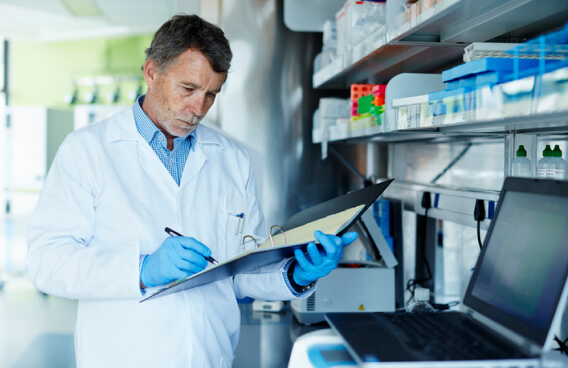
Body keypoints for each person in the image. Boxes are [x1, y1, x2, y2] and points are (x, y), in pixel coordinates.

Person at [26, 14, 357, 368]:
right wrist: (142, 269)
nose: (199, 108)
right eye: (188, 89)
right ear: (152, 72)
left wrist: (294, 275)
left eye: (211, 94)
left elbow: (239, 271)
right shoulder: (87, 150)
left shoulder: (232, 158)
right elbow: (47, 262)